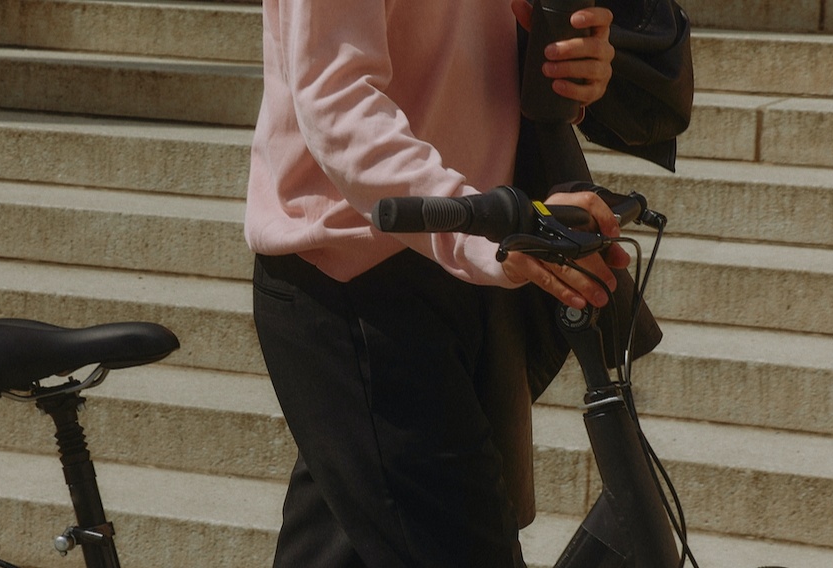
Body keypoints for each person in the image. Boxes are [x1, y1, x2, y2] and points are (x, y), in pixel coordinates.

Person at [245, 1, 628, 566]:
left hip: (459, 258)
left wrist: (564, 65)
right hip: (356, 273)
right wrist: (480, 222)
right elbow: (336, 99)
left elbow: (455, 52)